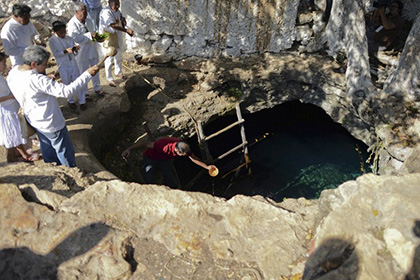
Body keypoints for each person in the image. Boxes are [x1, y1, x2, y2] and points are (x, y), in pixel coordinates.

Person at [7, 45, 99, 167]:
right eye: (44, 65)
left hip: (34, 120)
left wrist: (45, 80)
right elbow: (66, 91)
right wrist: (87, 74)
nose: (46, 67)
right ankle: (70, 170)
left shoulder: (14, 72)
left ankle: (52, 167)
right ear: (34, 64)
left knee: (47, 147)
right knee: (63, 149)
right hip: (50, 122)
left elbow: (30, 88)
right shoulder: (37, 79)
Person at [121, 137, 217, 187]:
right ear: (176, 151)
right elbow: (145, 143)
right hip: (151, 158)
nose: (183, 157)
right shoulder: (162, 146)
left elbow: (193, 157)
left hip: (164, 159)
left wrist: (207, 167)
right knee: (148, 177)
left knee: (168, 177)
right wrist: (129, 149)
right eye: (181, 155)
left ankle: (171, 190)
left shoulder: (184, 147)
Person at [0, 52, 37, 162]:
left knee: (16, 131)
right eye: (3, 63)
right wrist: (11, 96)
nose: (5, 65)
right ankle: (23, 154)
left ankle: (15, 154)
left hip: (11, 107)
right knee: (13, 133)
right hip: (6, 110)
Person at [49, 21, 87, 110]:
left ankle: (82, 101)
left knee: (78, 81)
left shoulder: (69, 38)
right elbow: (56, 54)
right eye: (60, 33)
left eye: (64, 32)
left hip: (72, 63)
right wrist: (65, 51)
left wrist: (75, 49)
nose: (63, 34)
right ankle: (71, 100)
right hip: (63, 65)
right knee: (66, 83)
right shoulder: (52, 40)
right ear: (55, 32)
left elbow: (74, 51)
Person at [67, 1, 102, 98]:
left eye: (86, 12)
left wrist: (98, 37)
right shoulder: (72, 24)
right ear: (76, 12)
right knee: (83, 72)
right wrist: (89, 35)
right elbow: (75, 38)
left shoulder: (88, 20)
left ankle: (97, 88)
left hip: (92, 48)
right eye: (83, 13)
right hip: (82, 52)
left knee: (96, 68)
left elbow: (93, 31)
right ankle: (85, 93)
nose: (85, 15)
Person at [99, 0, 134, 87]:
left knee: (118, 56)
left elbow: (120, 23)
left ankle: (118, 72)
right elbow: (113, 25)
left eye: (118, 4)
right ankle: (109, 78)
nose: (117, 6)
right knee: (109, 58)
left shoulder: (118, 11)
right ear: (109, 3)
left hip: (117, 36)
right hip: (109, 38)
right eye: (115, 4)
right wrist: (126, 30)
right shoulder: (106, 12)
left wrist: (123, 22)